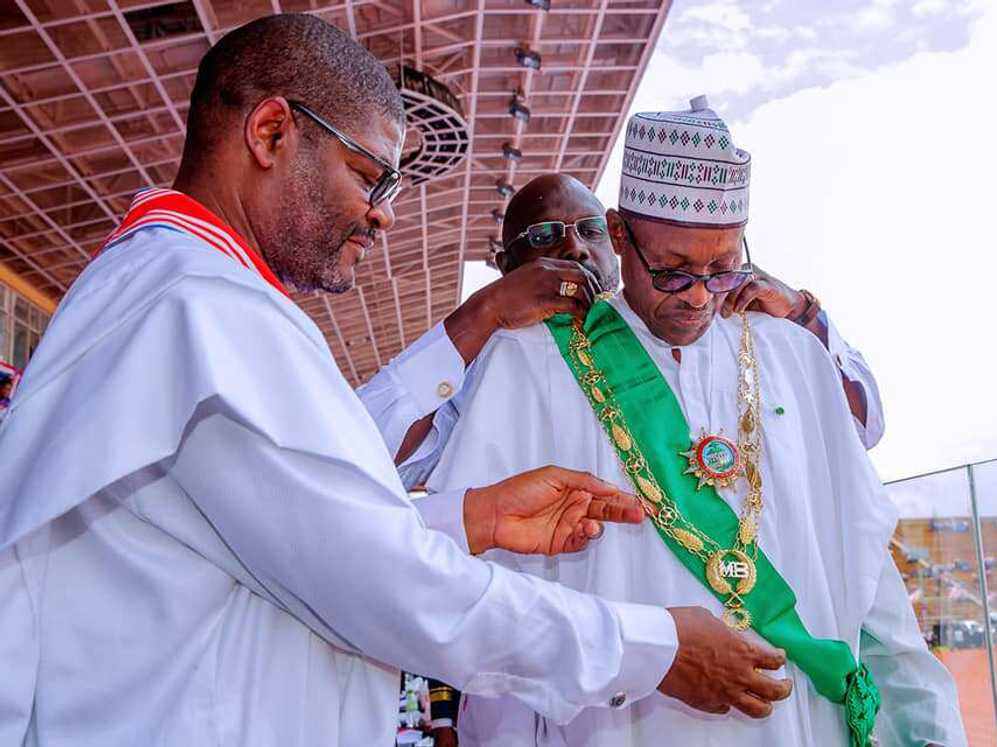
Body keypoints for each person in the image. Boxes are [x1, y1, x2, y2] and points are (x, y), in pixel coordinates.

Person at [0, 19, 793, 745]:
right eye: (368, 173)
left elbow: (297, 535)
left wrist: (469, 516)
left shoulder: (175, 289)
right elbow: (387, 586)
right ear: (272, 131)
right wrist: (652, 646)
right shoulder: (200, 310)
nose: (382, 214)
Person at [426, 96, 965, 746]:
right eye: (673, 271)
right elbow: (484, 593)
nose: (700, 296)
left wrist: (927, 724)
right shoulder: (531, 361)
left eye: (721, 266)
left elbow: (860, 556)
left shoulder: (791, 353)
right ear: (620, 234)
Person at [359, 187, 885, 494]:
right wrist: (484, 313)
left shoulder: (726, 323)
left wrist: (804, 313)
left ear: (616, 239)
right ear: (505, 268)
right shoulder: (498, 362)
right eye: (543, 237)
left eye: (588, 230)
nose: (573, 248)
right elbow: (367, 457)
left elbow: (862, 427)